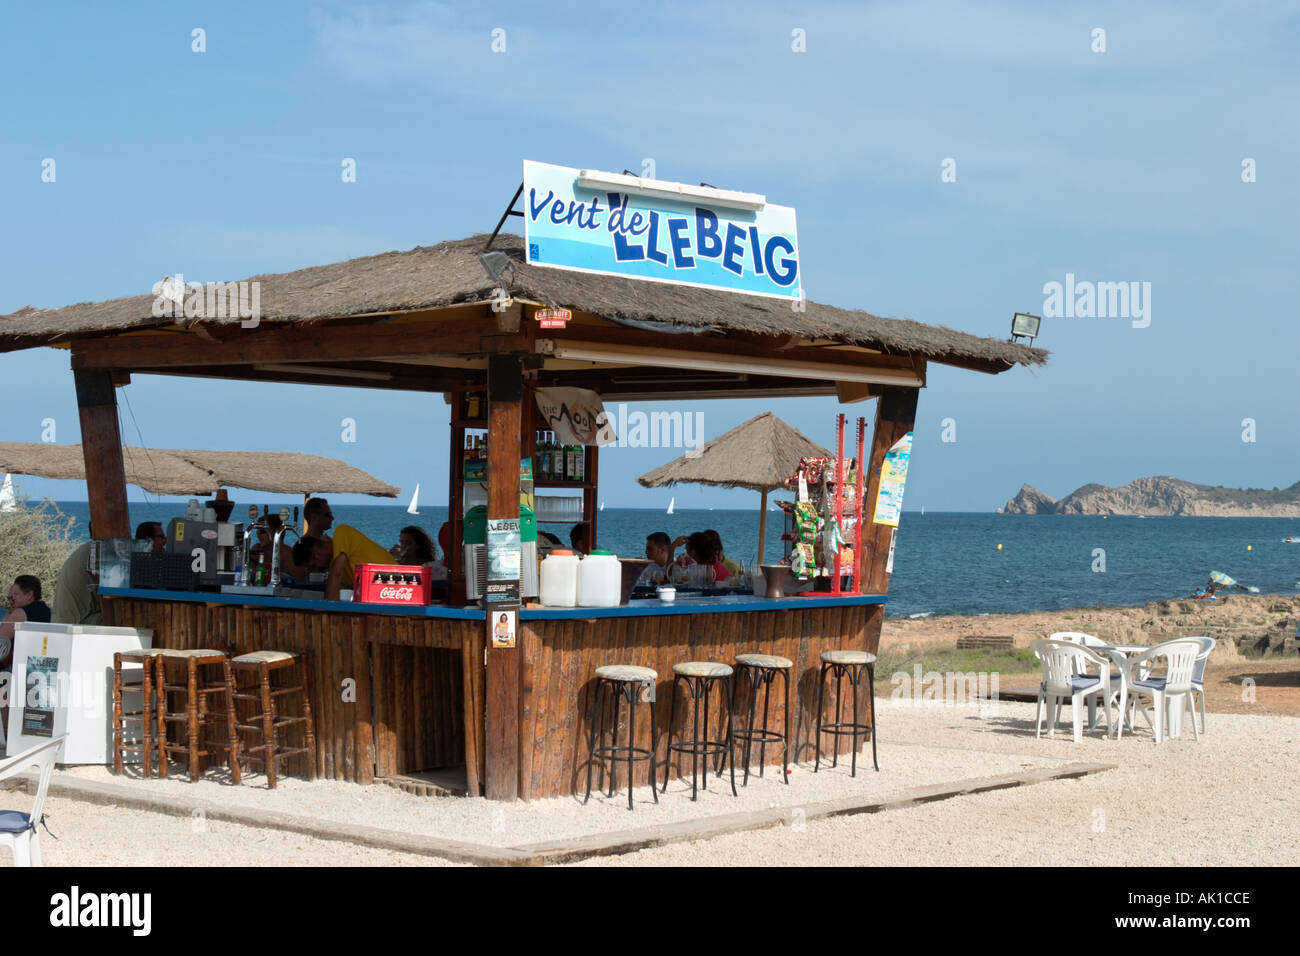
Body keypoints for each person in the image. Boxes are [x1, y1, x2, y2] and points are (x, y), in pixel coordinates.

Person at [322, 524, 401, 599]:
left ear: (327, 538)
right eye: (314, 560)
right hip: (386, 591)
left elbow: (336, 573)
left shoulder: (342, 531)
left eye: (317, 552)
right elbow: (337, 595)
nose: (317, 557)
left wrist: (325, 605)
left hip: (396, 584)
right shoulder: (339, 568)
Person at [1, 576, 52, 668]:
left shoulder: (20, 613)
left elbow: (1, 640)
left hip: (19, 666)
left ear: (29, 595)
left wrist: (8, 617)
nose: (13, 599)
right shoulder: (48, 611)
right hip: (43, 664)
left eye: (16, 594)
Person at [53, 535, 101, 626]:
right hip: (78, 622)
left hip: (66, 620)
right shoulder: (97, 550)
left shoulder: (88, 549)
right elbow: (111, 593)